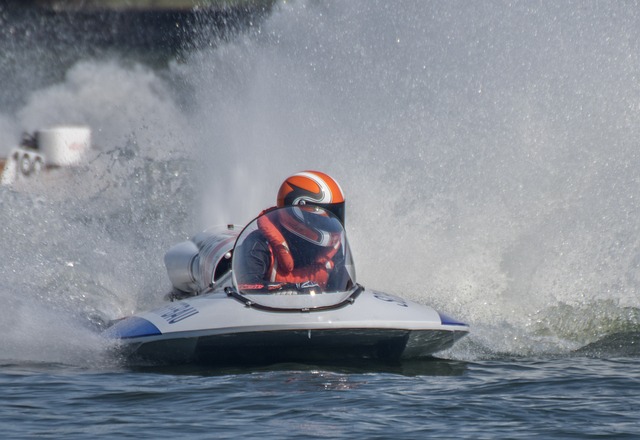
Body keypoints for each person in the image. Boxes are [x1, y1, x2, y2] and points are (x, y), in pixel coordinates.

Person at [234, 171, 348, 292]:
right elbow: (246, 288)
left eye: (334, 217)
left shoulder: (332, 250)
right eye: (322, 220)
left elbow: (344, 292)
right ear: (296, 214)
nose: (331, 225)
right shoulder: (258, 245)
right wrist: (292, 290)